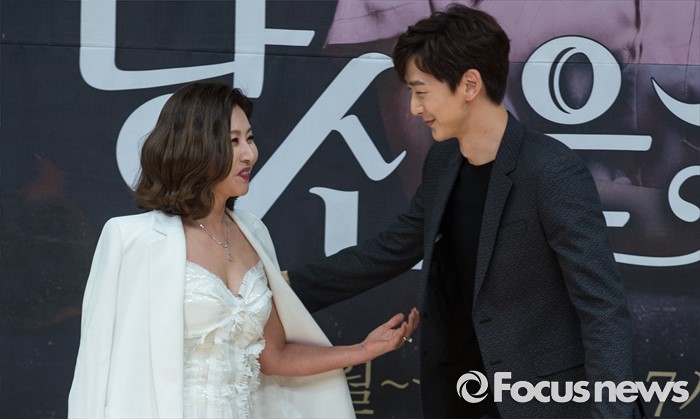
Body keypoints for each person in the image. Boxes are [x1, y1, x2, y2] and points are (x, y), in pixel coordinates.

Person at [288, 4, 637, 418]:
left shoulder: (551, 171)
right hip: (458, 390)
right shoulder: (443, 162)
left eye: (421, 92)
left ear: (469, 84)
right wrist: (283, 286)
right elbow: (393, 248)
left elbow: (602, 308)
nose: (415, 108)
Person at [67, 82, 419, 419]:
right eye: (233, 141)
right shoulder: (131, 238)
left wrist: (363, 350)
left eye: (249, 138)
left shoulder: (253, 232)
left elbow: (273, 356)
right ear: (194, 147)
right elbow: (95, 370)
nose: (250, 154)